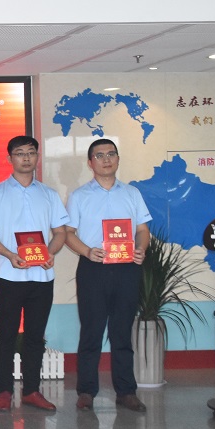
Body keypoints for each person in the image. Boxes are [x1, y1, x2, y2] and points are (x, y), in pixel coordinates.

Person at [0, 135, 68, 412]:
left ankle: (31, 390)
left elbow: (60, 233)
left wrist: (50, 252)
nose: (26, 158)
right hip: (9, 276)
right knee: (6, 335)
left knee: (34, 336)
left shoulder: (49, 194)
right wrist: (9, 255)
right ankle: (4, 391)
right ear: (9, 159)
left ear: (37, 158)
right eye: (20, 153)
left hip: (42, 278)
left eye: (31, 152)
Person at [64, 138, 152, 412]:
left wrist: (141, 249)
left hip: (127, 268)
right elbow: (68, 234)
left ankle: (126, 391)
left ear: (118, 159)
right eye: (99, 155)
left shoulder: (132, 193)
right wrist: (87, 251)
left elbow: (143, 230)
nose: (106, 159)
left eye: (111, 154)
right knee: (91, 331)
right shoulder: (79, 196)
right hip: (93, 268)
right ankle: (86, 391)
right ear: (90, 163)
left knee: (122, 331)